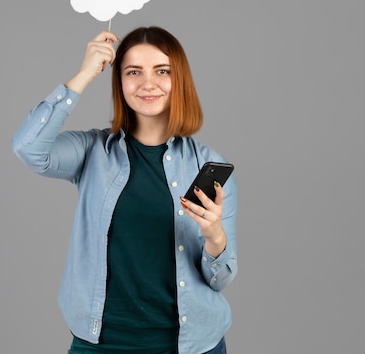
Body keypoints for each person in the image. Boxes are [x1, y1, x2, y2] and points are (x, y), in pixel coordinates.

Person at [12, 26, 238, 354]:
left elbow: (220, 279)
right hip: (102, 344)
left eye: (162, 71)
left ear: (180, 80)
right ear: (119, 81)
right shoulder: (92, 151)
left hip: (191, 346)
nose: (148, 83)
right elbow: (29, 148)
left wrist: (215, 236)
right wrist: (85, 74)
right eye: (134, 71)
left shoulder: (209, 165)